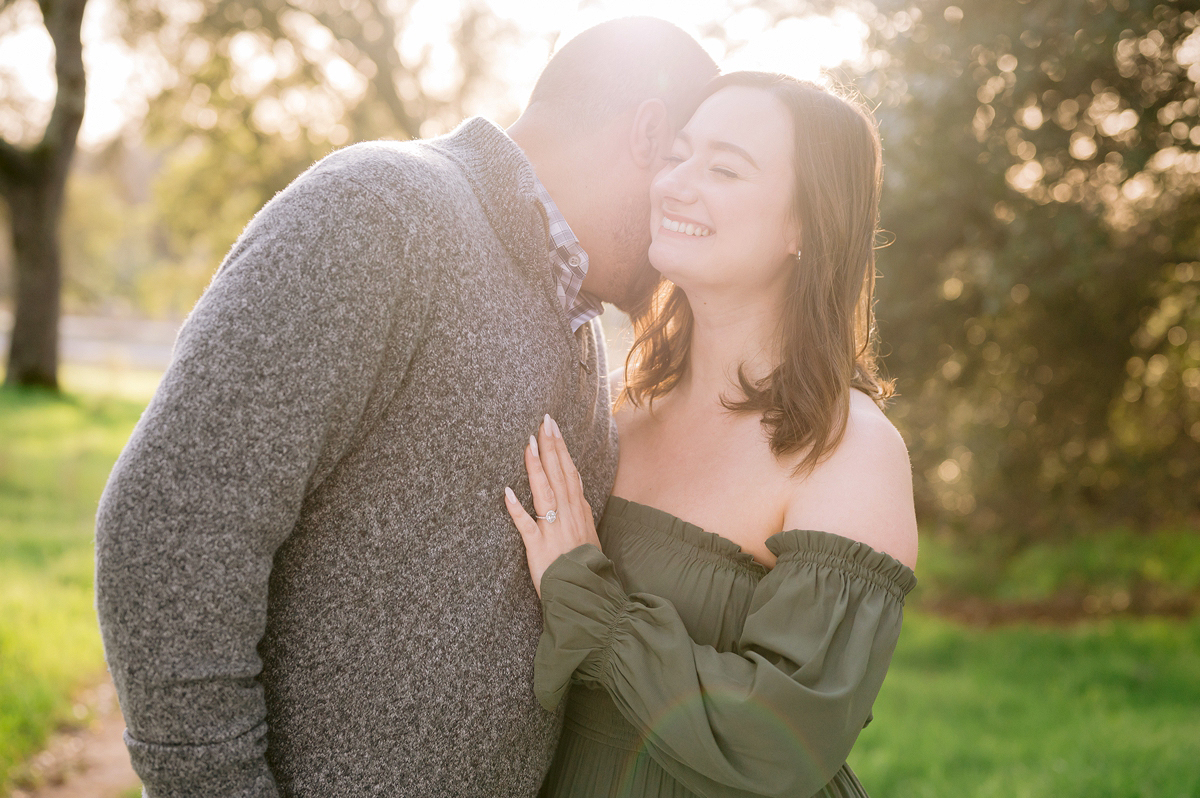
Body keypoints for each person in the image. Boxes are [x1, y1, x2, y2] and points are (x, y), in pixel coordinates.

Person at [95, 18, 717, 798]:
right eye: (692, 169)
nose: (691, 223)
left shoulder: (580, 329)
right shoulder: (380, 212)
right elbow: (172, 524)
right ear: (650, 134)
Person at [504, 71, 919, 798]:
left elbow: (781, 743)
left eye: (724, 168)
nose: (675, 184)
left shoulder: (848, 449)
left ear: (805, 224)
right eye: (678, 156)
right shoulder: (613, 405)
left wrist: (592, 607)